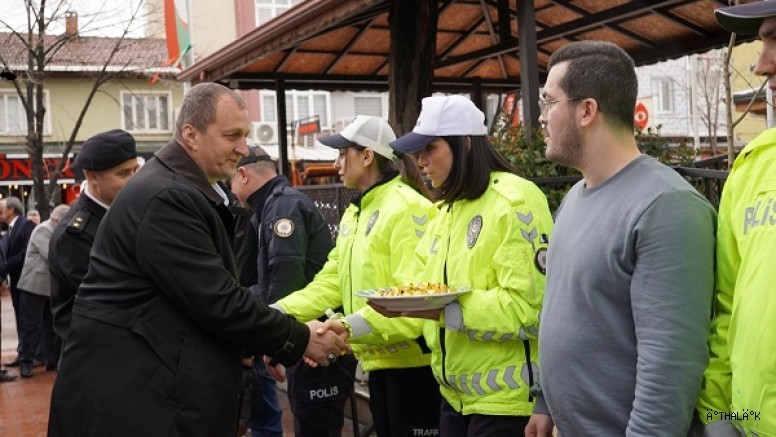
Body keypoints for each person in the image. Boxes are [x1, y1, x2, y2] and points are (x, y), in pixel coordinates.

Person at [47, 82, 347, 437]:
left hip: (146, 395)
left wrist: (264, 338)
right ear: (190, 134)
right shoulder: (167, 197)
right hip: (134, 403)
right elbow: (216, 301)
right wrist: (299, 338)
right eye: (231, 135)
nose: (243, 148)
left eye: (246, 135)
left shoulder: (180, 190)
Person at [522, 41, 716, 436]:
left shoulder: (667, 206)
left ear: (587, 110)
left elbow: (670, 368)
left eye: (548, 102)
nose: (541, 117)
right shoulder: (576, 196)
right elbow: (569, 307)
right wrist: (546, 400)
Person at [366, 95, 554, 437]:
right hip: (454, 399)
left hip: (508, 405)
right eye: (417, 152)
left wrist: (444, 310)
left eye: (429, 149)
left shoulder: (515, 200)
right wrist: (348, 328)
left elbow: (531, 309)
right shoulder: (447, 211)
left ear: (465, 144)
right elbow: (416, 291)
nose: (420, 162)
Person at [272, 115, 442, 437]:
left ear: (367, 156)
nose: (336, 163)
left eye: (342, 153)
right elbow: (330, 282)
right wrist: (273, 316)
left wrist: (346, 328)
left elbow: (415, 298)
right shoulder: (356, 212)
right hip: (380, 364)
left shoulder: (408, 207)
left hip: (415, 369)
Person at [230, 146, 355, 437]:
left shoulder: (281, 206)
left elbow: (284, 281)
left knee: (316, 427)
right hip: (307, 333)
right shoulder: (272, 205)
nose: (232, 192)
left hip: (318, 337)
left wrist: (275, 343)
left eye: (231, 183)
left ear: (243, 175)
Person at [697, 3, 776, 436]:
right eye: (762, 42)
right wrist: (719, 416)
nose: (762, 64)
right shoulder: (755, 165)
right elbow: (726, 307)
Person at [48, 129, 140, 347]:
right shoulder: (73, 235)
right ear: (92, 177)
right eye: (123, 173)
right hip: (94, 358)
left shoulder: (123, 213)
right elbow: (112, 301)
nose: (133, 180)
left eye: (135, 170)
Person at [16, 204, 70, 378]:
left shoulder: (58, 230)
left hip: (49, 288)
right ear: (56, 220)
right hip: (33, 287)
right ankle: (26, 362)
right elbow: (52, 256)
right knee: (31, 327)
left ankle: (51, 360)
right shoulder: (42, 230)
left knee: (50, 327)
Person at [0, 197, 37, 369]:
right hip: (16, 282)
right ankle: (22, 353)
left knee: (27, 321)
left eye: (2, 210)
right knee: (20, 319)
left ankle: (29, 358)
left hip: (25, 280)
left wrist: (6, 267)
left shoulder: (27, 225)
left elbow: (26, 253)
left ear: (11, 210)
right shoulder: (10, 229)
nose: (0, 214)